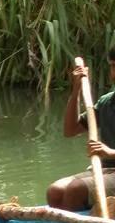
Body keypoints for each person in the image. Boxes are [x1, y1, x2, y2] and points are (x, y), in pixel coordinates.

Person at [46, 48, 115, 211]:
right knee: (54, 192)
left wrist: (110, 152)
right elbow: (70, 130)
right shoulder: (107, 102)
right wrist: (76, 90)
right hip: (105, 169)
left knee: (75, 190)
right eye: (113, 66)